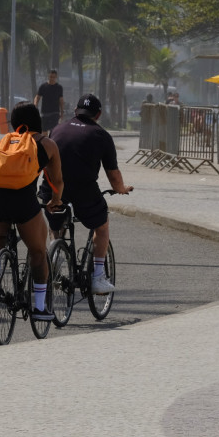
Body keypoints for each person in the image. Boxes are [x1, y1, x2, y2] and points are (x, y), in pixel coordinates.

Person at [41, 93, 133, 295]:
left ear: (75, 111)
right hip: (83, 190)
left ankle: (54, 252)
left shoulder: (56, 129)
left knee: (56, 220)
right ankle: (98, 278)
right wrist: (121, 189)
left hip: (52, 189)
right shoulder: (102, 135)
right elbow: (113, 175)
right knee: (102, 226)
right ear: (98, 114)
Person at [0, 102, 64, 321]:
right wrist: (54, 201)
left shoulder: (2, 142)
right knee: (38, 252)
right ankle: (39, 308)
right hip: (24, 203)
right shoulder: (47, 144)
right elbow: (57, 181)